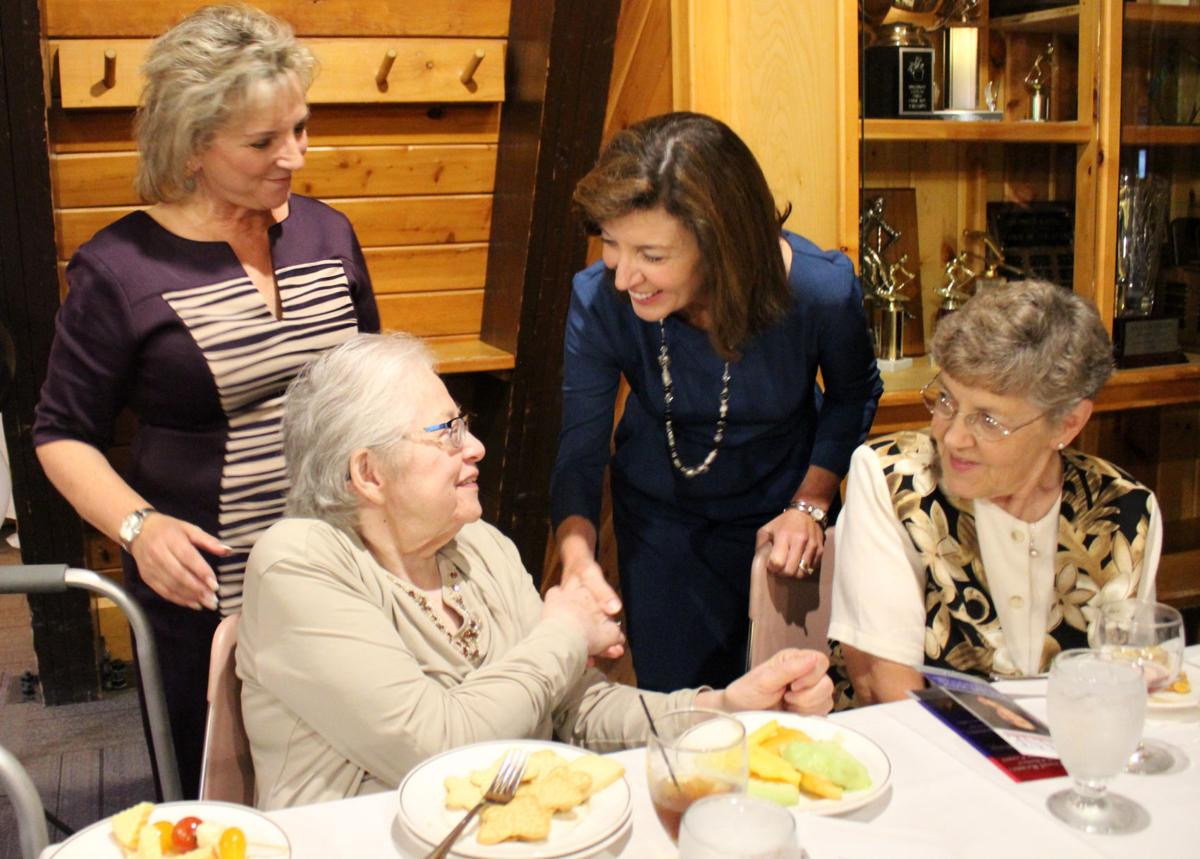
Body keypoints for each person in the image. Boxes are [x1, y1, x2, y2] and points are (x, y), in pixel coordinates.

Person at [237, 333, 835, 809]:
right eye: (447, 433)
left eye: (463, 426)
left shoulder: (480, 548)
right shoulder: (298, 565)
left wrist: (726, 712)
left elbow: (577, 713)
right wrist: (567, 632)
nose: (475, 448)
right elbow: (436, 748)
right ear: (368, 473)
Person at [32, 5, 379, 794]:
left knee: (345, 770)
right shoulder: (119, 269)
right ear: (191, 147)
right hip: (208, 588)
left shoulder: (329, 234)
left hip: (344, 562)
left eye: (300, 125)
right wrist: (139, 526)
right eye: (264, 141)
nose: (296, 153)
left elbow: (369, 390)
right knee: (216, 786)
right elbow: (60, 433)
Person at [550, 112, 882, 692]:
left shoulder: (816, 291)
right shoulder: (601, 299)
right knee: (686, 711)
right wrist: (577, 556)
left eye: (651, 255)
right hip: (664, 527)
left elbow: (854, 393)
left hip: (783, 523)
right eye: (610, 243)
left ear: (720, 240)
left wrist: (811, 504)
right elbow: (580, 447)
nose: (625, 275)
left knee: (792, 702)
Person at [827, 281, 1162, 707]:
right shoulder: (897, 479)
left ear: (1067, 424)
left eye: (988, 420)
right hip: (926, 757)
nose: (952, 437)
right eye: (946, 399)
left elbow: (1131, 681)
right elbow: (885, 687)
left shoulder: (1125, 511)